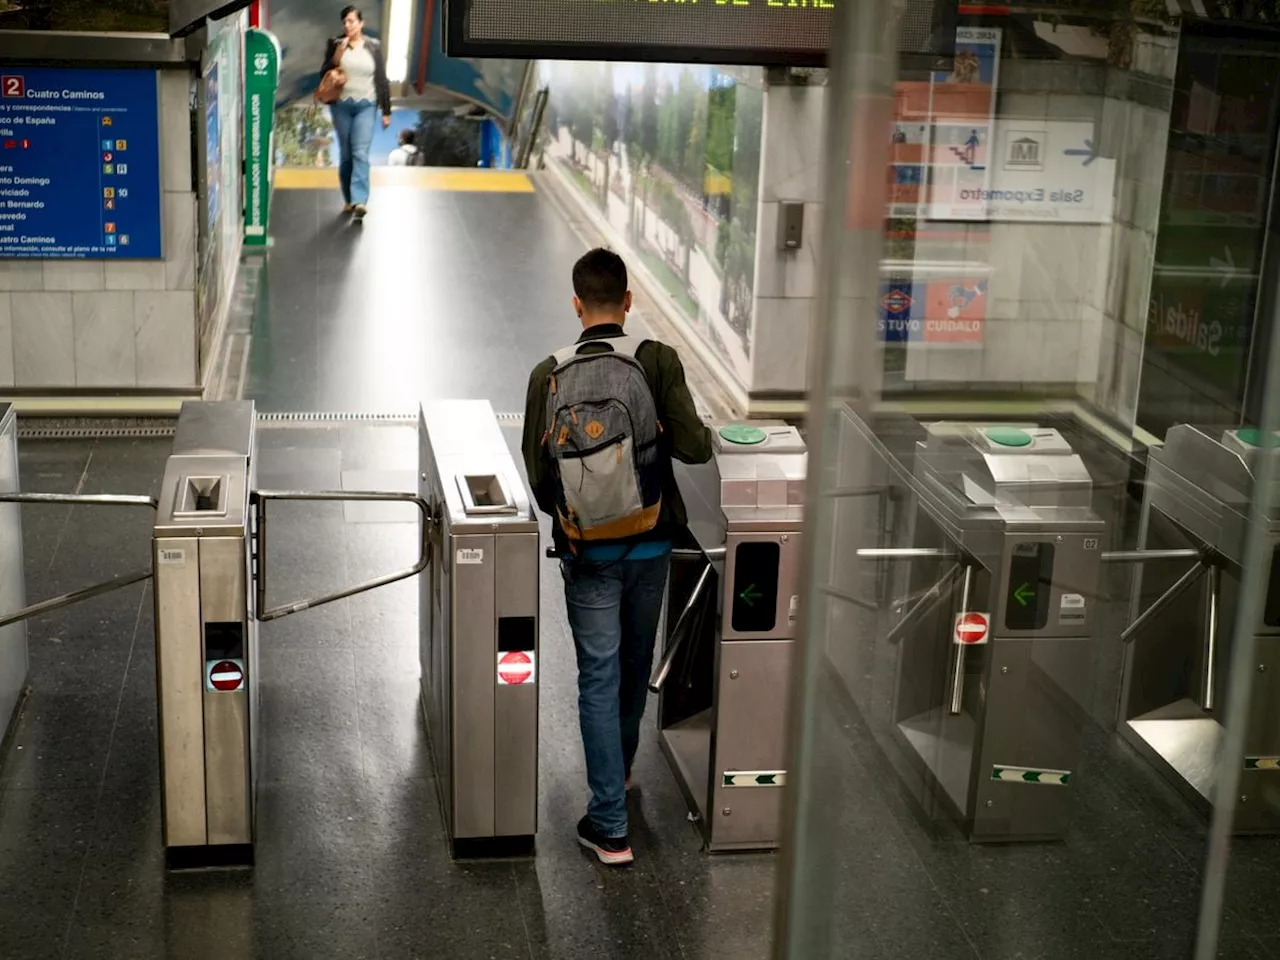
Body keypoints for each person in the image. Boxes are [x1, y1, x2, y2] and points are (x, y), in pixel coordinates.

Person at [522, 249, 712, 866]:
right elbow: (694, 447)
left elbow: (537, 475)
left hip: (589, 554)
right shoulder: (657, 361)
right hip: (652, 542)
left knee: (597, 678)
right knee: (634, 667)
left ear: (577, 304)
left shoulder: (547, 374)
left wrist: (581, 515)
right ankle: (619, 776)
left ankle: (608, 824)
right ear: (628, 302)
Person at [322, 5, 391, 220]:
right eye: (345, 22)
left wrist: (386, 110)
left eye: (351, 21)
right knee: (345, 155)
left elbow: (381, 78)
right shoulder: (335, 43)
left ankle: (360, 200)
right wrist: (337, 56)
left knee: (360, 152)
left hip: (367, 105)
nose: (348, 25)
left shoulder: (373, 46)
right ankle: (349, 198)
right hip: (342, 105)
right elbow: (323, 73)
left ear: (361, 23)